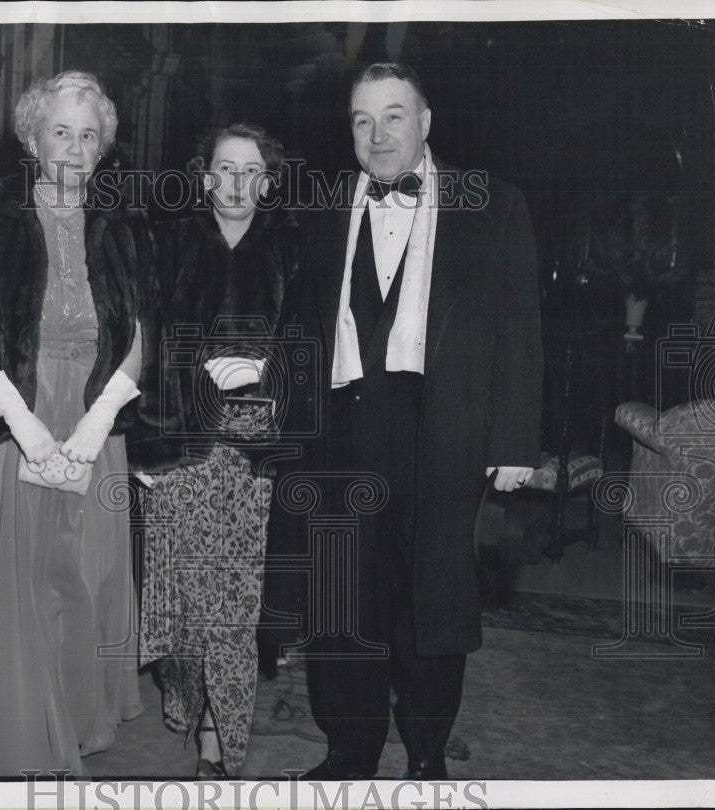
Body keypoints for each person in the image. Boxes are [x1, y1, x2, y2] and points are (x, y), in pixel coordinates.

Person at [259, 62, 543, 780]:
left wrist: (513, 441)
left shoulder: (493, 204)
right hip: (340, 428)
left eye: (393, 116)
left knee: (432, 597)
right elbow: (302, 326)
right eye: (362, 119)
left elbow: (519, 329)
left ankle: (424, 753)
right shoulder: (325, 206)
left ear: (425, 123)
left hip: (441, 427)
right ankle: (347, 750)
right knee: (340, 596)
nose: (377, 134)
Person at [0, 70, 150, 777]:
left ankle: (75, 725)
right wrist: (31, 428)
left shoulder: (123, 226)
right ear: (30, 137)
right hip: (8, 414)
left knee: (86, 572)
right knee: (20, 579)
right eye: (60, 132)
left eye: (89, 135)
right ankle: (21, 741)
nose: (75, 151)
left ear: (104, 147)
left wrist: (90, 428)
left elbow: (143, 333)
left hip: (96, 417)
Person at [127, 122, 301, 777]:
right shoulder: (166, 243)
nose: (235, 184)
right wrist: (146, 448)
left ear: (267, 180)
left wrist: (265, 382)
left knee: (231, 605)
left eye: (249, 171)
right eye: (223, 170)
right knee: (180, 603)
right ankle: (186, 694)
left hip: (251, 449)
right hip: (176, 442)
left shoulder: (289, 250)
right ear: (205, 178)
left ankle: (215, 736)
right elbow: (141, 343)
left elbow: (303, 350)